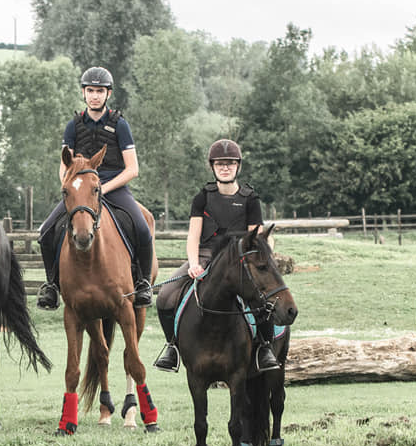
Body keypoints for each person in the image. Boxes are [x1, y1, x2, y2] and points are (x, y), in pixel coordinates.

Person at [152, 139, 278, 373]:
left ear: (238, 166)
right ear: (212, 166)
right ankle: (173, 347)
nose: (225, 168)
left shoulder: (251, 198)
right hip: (205, 255)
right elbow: (193, 236)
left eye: (230, 163)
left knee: (262, 299)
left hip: (239, 259)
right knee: (165, 297)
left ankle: (264, 347)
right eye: (220, 163)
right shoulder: (202, 198)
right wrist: (192, 264)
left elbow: (256, 237)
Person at [35, 66, 154, 310]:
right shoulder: (73, 125)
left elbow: (133, 169)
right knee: (47, 230)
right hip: (80, 189)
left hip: (113, 186)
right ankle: (52, 286)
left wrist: (104, 189)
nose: (94, 96)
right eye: (90, 90)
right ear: (84, 92)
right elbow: (63, 166)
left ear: (108, 94)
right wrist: (70, 186)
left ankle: (142, 283)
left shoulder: (120, 125)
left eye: (99, 91)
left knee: (142, 228)